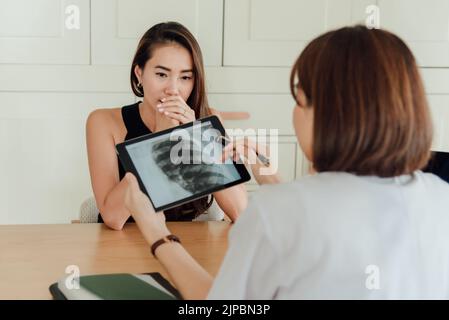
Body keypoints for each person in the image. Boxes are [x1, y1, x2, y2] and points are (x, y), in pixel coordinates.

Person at [122, 25, 449, 299]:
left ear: (326, 113)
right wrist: (271, 179)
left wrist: (157, 234)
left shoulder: (276, 213)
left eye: (299, 98)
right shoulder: (439, 197)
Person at [86, 22, 247, 230]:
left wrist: (196, 136)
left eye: (185, 77)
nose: (173, 90)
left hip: (187, 247)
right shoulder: (103, 122)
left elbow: (240, 211)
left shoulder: (208, 119)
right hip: (124, 244)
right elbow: (113, 218)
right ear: (139, 73)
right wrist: (160, 140)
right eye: (161, 74)